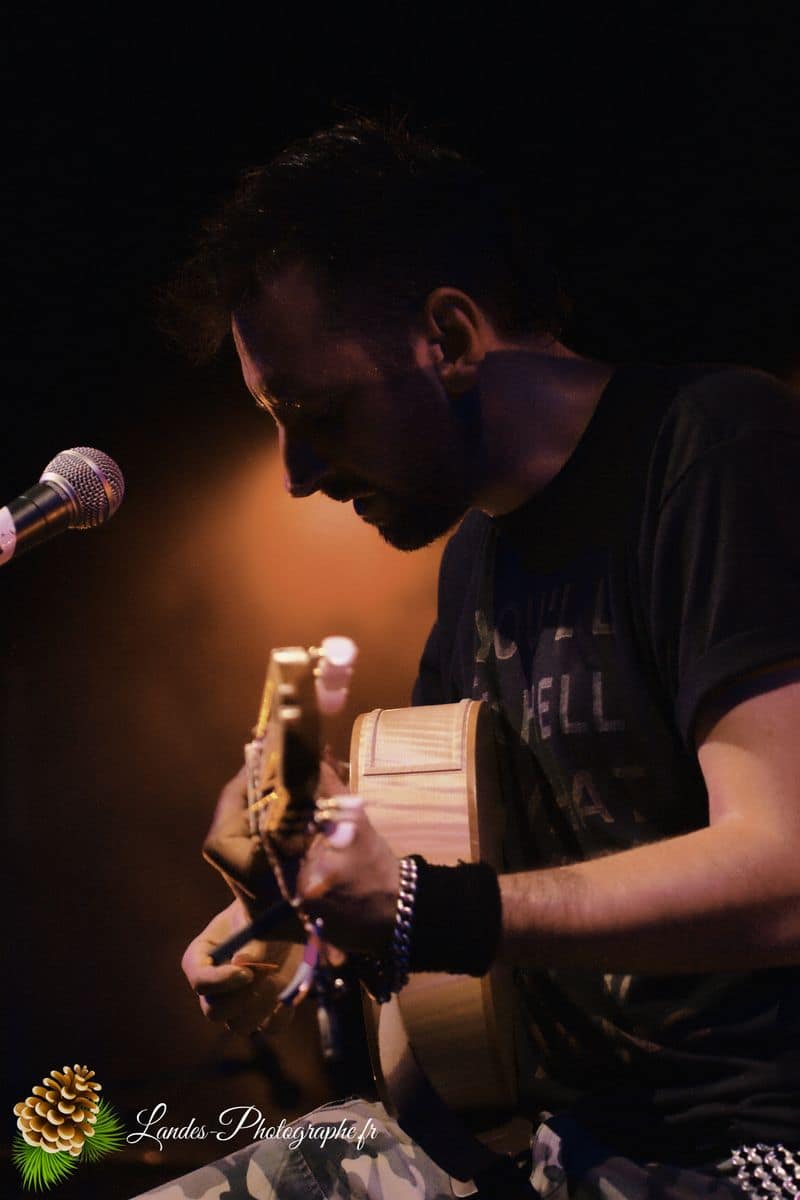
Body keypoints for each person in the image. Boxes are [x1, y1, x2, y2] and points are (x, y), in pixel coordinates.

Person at [139, 119, 800, 1198]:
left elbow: (783, 872)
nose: (298, 471)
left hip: (744, 1152)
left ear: (445, 337)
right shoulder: (478, 560)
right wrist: (292, 912)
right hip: (549, 1139)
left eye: (313, 412)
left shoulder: (714, 446)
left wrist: (413, 909)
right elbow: (425, 879)